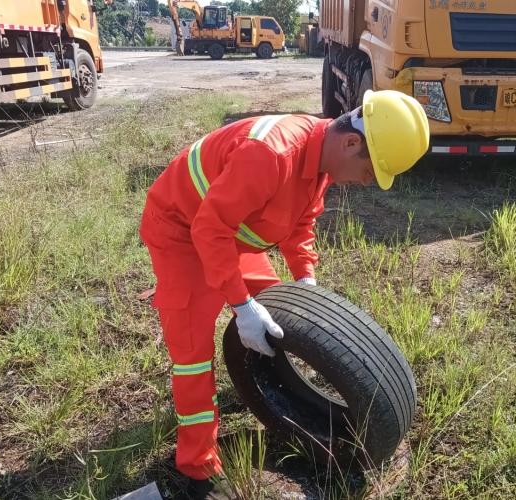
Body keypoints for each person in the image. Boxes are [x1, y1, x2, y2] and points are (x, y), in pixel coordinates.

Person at [140, 90, 429, 499]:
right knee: (192, 354)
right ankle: (197, 467)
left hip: (231, 235)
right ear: (351, 142)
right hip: (183, 231)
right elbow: (208, 229)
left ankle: (266, 389)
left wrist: (305, 280)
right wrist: (240, 305)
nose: (368, 182)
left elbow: (299, 223)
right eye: (371, 170)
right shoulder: (271, 154)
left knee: (276, 315)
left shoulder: (320, 161)